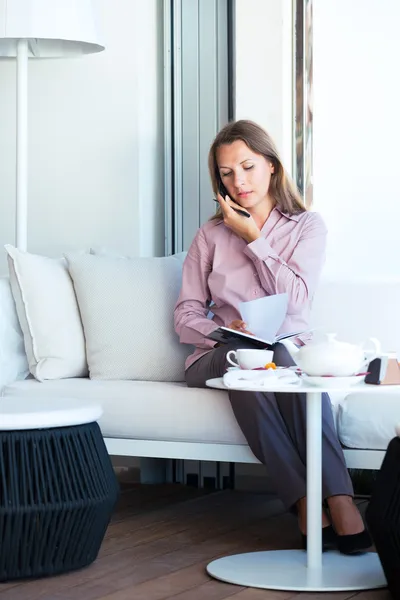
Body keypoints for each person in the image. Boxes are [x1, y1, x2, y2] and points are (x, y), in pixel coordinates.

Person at [174, 119, 371, 555]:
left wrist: (254, 239)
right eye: (226, 173)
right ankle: (306, 500)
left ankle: (337, 498)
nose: (238, 180)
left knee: (277, 355)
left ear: (272, 167)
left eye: (247, 166)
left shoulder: (306, 226)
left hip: (284, 353)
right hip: (217, 355)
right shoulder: (209, 235)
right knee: (247, 352)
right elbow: (185, 314)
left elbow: (297, 301)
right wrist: (223, 330)